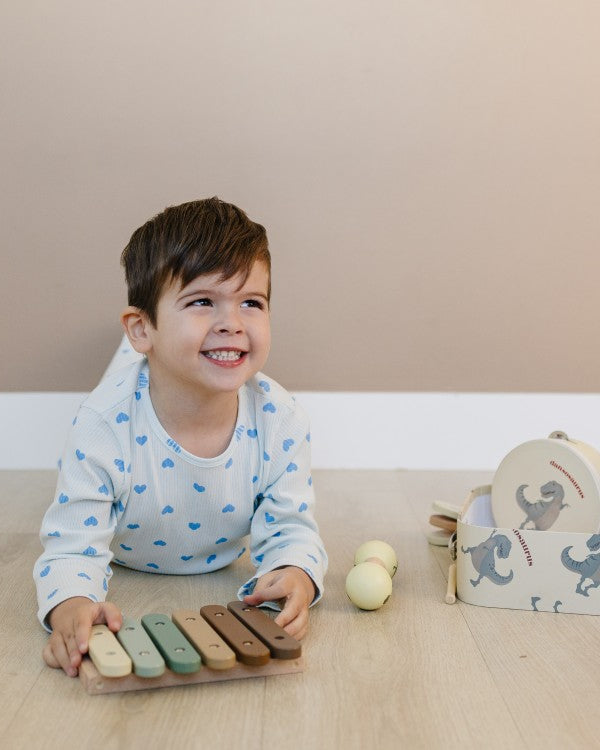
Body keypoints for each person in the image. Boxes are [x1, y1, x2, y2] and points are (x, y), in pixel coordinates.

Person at [33, 197, 327, 677]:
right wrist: (71, 603)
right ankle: (136, 357)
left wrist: (297, 571)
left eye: (251, 303)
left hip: (219, 547)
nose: (232, 322)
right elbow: (70, 544)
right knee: (129, 388)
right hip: (133, 443)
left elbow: (292, 526)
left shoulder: (281, 419)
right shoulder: (103, 425)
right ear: (141, 327)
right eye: (202, 301)